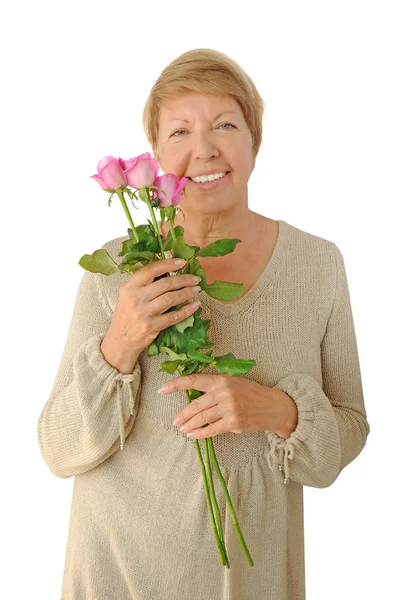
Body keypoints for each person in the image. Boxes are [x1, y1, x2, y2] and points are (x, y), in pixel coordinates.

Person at [37, 48, 370, 600]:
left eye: (225, 124)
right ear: (156, 155)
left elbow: (351, 425)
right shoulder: (118, 268)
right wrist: (121, 340)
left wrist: (278, 411)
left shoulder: (317, 264)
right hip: (117, 577)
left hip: (251, 582)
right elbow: (58, 449)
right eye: (180, 131)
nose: (203, 149)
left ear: (255, 143)